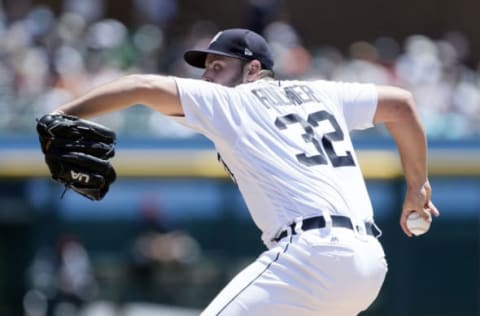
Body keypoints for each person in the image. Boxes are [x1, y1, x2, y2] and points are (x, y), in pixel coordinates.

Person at [47, 28, 440, 315]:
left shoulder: (233, 102)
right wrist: (417, 186)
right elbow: (402, 105)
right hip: (369, 264)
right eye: (206, 69)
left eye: (217, 67)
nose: (207, 77)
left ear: (253, 69)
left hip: (310, 256)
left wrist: (62, 115)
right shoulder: (324, 93)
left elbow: (138, 85)